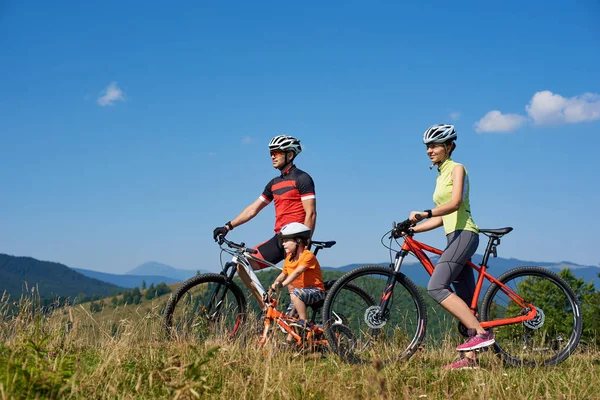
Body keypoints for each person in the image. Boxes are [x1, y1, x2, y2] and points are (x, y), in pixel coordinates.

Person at [406, 124, 494, 370]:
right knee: (467, 300)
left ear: (449, 147)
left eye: (434, 146)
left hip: (465, 234)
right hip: (452, 236)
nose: (429, 150)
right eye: (427, 147)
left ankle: (481, 333)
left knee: (436, 286)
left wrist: (425, 213)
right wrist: (412, 229)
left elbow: (454, 204)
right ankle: (471, 360)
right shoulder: (440, 175)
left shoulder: (457, 169)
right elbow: (440, 218)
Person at [213, 135, 317, 309]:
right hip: (279, 240)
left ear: (290, 155)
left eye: (276, 152)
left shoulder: (302, 179)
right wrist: (228, 226)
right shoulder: (273, 184)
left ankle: (301, 330)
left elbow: (311, 213)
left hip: (297, 242)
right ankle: (267, 309)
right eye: (271, 153)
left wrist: (304, 243)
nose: (272, 156)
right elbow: (253, 209)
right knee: (241, 264)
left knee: (294, 292)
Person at [268, 222, 326, 342]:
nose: (283, 244)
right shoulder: (289, 259)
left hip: (316, 291)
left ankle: (304, 323)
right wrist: (272, 287)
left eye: (286, 241)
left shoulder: (307, 255)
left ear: (298, 241)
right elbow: (283, 275)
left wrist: (282, 285)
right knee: (289, 320)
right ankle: (290, 343)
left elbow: (297, 273)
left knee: (295, 294)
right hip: (299, 295)